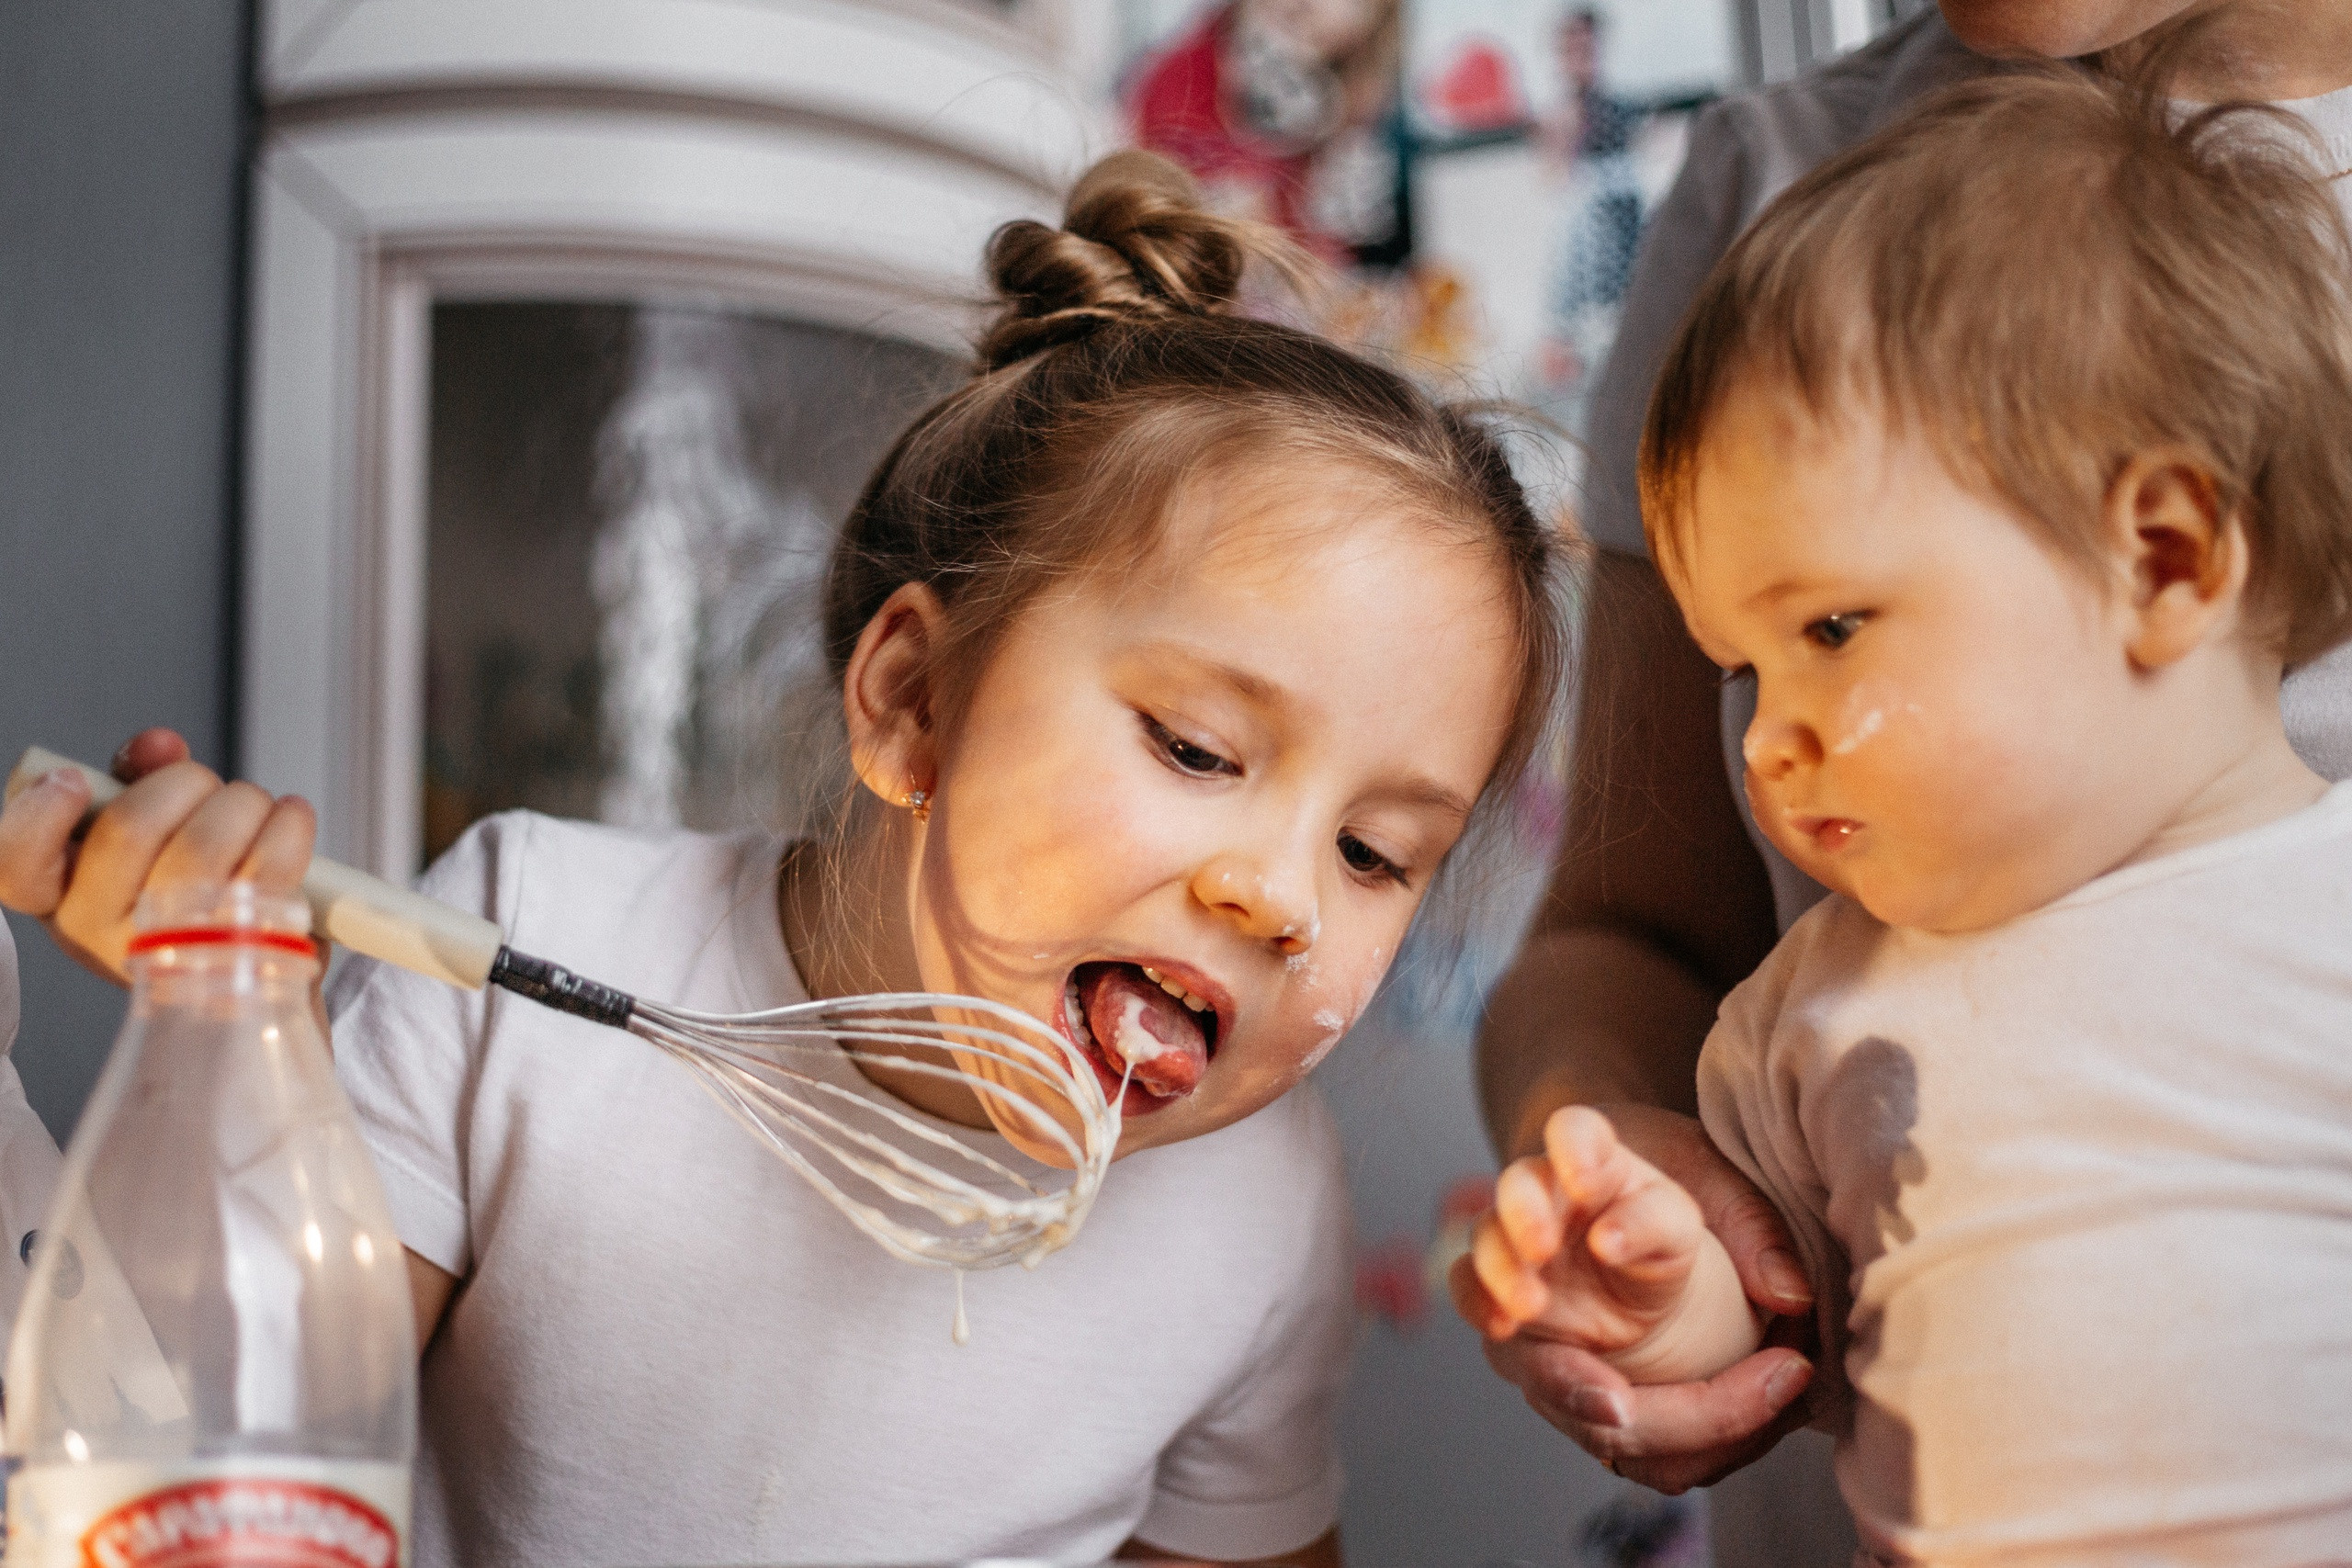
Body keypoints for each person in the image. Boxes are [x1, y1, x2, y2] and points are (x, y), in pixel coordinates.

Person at [0, 152, 1568, 1568]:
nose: (1282, 899)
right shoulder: (522, 946)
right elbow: (222, 1465)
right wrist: (221, 1041)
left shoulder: (1259, 1213)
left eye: (1377, 852)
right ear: (913, 704)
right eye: (1197, 753)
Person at [1464, 2, 2352, 1554]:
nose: (1758, 743)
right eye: (1744, 663)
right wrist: (1640, 1270)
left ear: (2165, 556)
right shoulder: (1809, 1019)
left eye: (1829, 631)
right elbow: (1747, 1300)